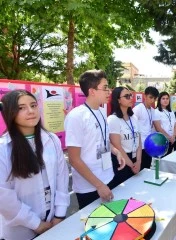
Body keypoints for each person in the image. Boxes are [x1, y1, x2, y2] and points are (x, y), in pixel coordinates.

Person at [0, 90, 70, 240]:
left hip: (53, 220)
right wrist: (36, 223)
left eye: (33, 105)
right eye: (21, 108)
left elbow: (62, 178)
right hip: (20, 230)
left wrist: (60, 214)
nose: (31, 111)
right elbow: (4, 197)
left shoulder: (51, 139)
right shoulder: (3, 148)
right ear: (9, 112)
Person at [64, 70, 125, 209]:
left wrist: (116, 152)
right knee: (94, 226)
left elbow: (102, 141)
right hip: (89, 187)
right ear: (92, 91)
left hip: (108, 177)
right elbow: (74, 159)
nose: (109, 91)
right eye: (105, 88)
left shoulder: (102, 112)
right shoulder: (76, 117)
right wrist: (99, 185)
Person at [108, 87, 142, 187]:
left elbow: (139, 142)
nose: (131, 98)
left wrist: (138, 161)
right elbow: (117, 146)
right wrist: (131, 164)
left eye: (131, 95)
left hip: (136, 158)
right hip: (122, 161)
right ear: (118, 100)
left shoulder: (134, 117)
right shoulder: (113, 119)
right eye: (127, 96)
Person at [133, 86, 159, 169]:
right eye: (150, 97)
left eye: (154, 98)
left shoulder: (152, 110)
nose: (152, 100)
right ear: (145, 96)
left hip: (148, 144)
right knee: (140, 170)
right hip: (139, 146)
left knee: (147, 168)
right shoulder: (137, 109)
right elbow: (133, 126)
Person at [153, 92, 176, 156]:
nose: (165, 100)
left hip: (172, 140)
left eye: (167, 98)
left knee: (169, 158)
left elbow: (175, 125)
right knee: (162, 159)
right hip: (162, 140)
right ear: (159, 100)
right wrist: (169, 137)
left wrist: (173, 136)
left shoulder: (171, 111)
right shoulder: (156, 111)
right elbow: (158, 128)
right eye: (163, 98)